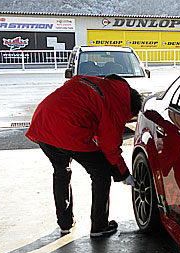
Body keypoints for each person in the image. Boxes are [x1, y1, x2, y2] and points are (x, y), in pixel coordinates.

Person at [26, 74, 143, 237]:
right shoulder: (118, 104)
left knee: (61, 171)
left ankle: (65, 224)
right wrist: (123, 174)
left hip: (42, 122)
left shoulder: (99, 84)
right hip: (68, 129)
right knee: (101, 173)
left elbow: (89, 117)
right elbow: (110, 147)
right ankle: (99, 226)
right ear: (130, 109)